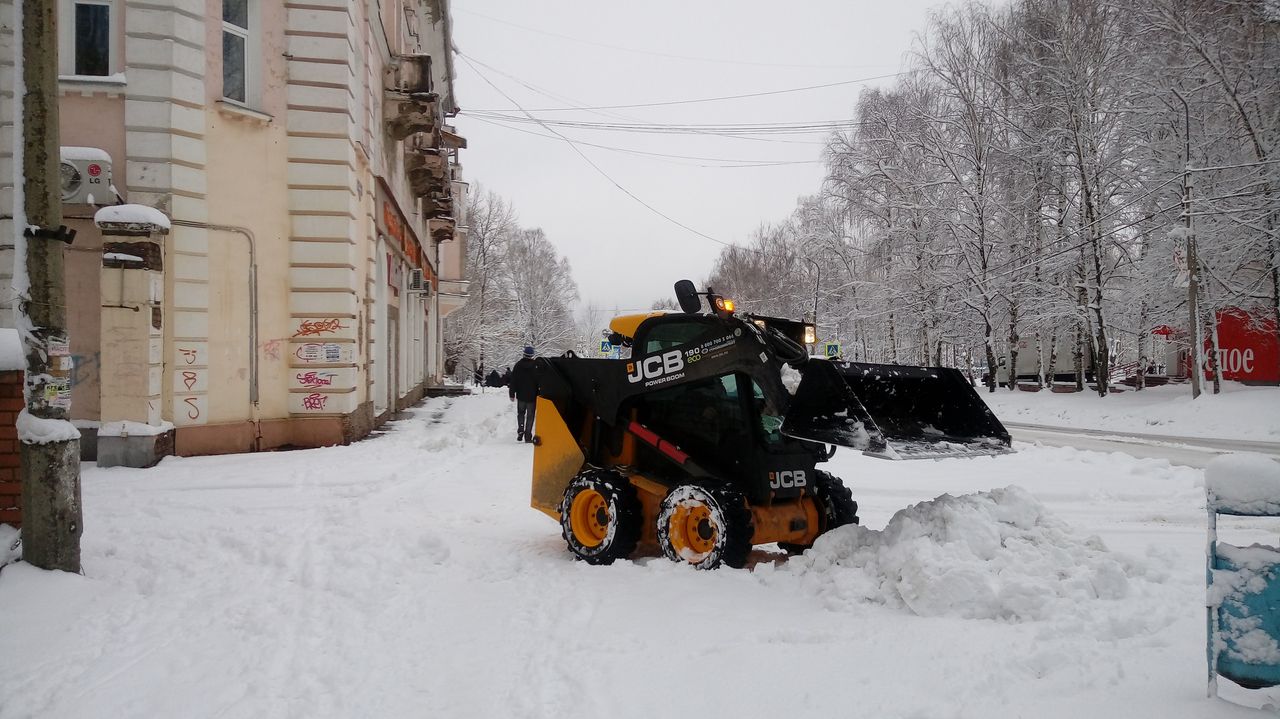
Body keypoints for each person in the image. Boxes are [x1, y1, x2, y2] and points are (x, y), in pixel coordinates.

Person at [509, 346, 539, 443]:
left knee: (521, 413)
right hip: (532, 396)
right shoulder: (536, 366)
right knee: (530, 416)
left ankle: (520, 429)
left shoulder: (518, 365)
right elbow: (539, 381)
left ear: (524, 354)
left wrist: (512, 394)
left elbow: (513, 380)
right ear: (532, 355)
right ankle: (527, 435)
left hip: (521, 395)